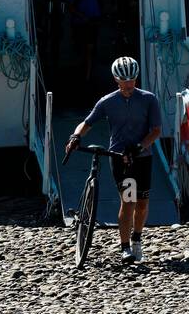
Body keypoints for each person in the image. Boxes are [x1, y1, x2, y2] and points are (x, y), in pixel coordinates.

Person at [65, 56, 161, 264]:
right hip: (120, 157)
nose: (128, 85)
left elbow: (156, 131)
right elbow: (87, 123)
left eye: (132, 80)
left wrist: (139, 146)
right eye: (124, 80)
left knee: (142, 203)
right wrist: (76, 136)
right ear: (116, 80)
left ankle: (137, 239)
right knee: (128, 200)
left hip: (142, 157)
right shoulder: (108, 102)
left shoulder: (148, 99)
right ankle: (125, 247)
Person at [66, 0, 113, 93]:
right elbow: (69, 5)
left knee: (90, 49)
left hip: (94, 22)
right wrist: (81, 16)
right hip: (80, 23)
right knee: (82, 49)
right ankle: (84, 75)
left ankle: (88, 78)